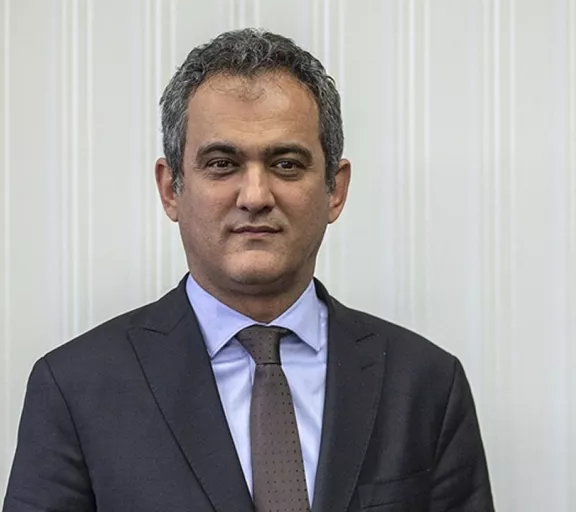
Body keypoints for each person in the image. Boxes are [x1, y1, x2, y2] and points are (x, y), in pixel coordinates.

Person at [2, 29, 494, 512]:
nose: (256, 196)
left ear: (335, 189)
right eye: (222, 163)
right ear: (171, 189)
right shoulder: (75, 388)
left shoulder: (425, 384)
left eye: (286, 164)